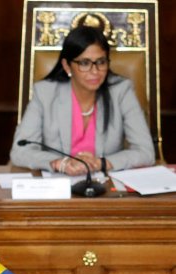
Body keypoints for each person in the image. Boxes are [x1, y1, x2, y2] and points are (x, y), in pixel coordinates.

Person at [10, 26, 154, 176]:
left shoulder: (121, 91)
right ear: (67, 66)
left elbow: (145, 151)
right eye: (85, 63)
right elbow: (20, 151)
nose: (95, 71)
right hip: (57, 187)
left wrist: (101, 163)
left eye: (101, 62)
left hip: (105, 187)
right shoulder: (45, 93)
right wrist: (61, 163)